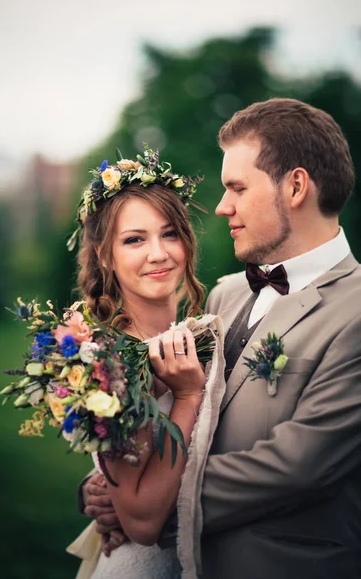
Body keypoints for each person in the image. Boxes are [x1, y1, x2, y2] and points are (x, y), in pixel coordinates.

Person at [87, 98, 361, 579]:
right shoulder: (225, 295)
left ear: (295, 186)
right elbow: (182, 421)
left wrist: (141, 504)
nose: (221, 206)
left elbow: (297, 468)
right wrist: (109, 479)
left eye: (236, 187)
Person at [67, 156, 225, 579]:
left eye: (170, 234)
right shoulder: (110, 363)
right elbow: (141, 521)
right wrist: (188, 396)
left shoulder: (210, 329)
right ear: (104, 255)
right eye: (135, 240)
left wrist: (96, 486)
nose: (158, 254)